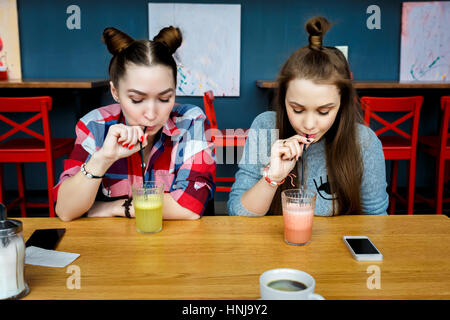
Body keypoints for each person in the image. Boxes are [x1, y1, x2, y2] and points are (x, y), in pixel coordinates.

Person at [228, 16, 388, 216]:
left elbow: (376, 218)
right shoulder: (265, 127)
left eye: (323, 111)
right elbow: (237, 214)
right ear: (283, 100)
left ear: (341, 105)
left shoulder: (364, 142)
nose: (309, 124)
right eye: (297, 109)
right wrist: (273, 178)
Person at [54, 26, 216, 221]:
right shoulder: (94, 125)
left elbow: (189, 207)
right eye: (137, 99)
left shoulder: (190, 121)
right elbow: (65, 211)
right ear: (115, 92)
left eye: (164, 98)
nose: (151, 114)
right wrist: (103, 159)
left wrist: (113, 208)